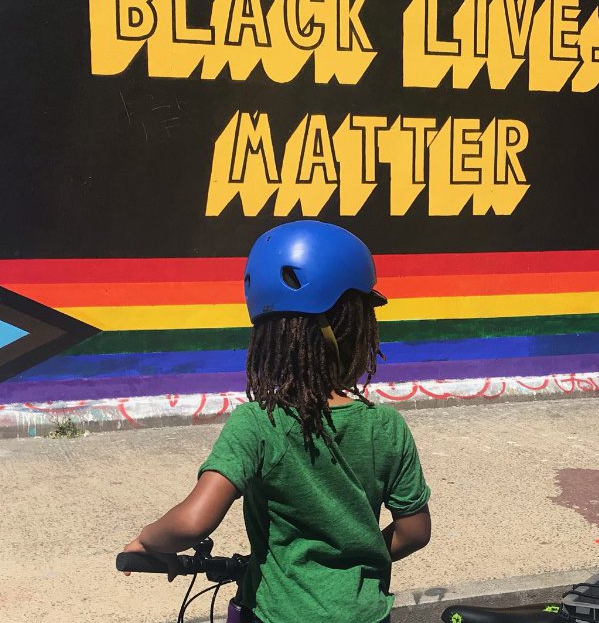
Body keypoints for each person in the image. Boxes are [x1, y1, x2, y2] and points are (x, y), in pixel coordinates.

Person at [122, 220, 432, 623]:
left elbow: (192, 522)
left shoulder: (258, 423)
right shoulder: (388, 426)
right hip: (367, 614)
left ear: (268, 338)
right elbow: (414, 532)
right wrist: (347, 564)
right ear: (358, 329)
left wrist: (147, 542)